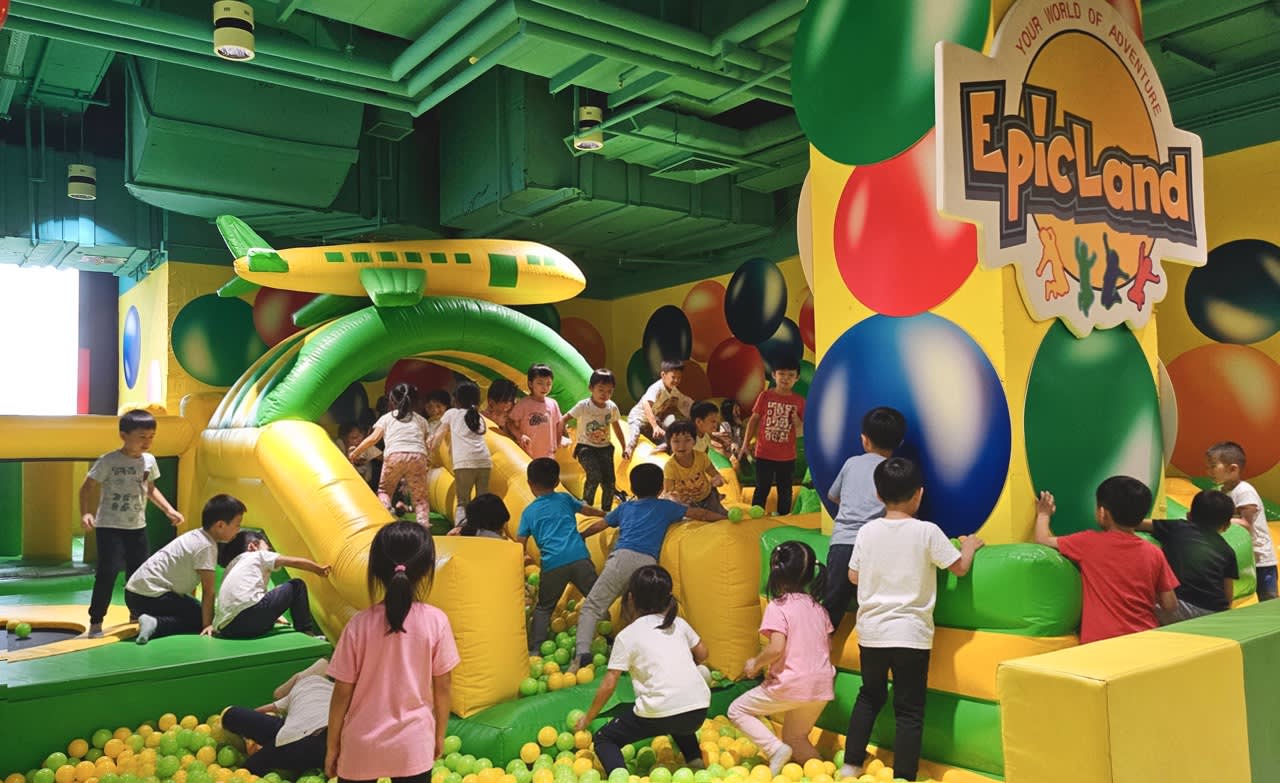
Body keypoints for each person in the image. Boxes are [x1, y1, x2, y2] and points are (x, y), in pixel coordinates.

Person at [840, 458, 984, 782]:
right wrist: (970, 546)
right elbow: (959, 568)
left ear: (878, 495)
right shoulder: (927, 532)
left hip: (872, 634)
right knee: (909, 710)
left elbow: (853, 575)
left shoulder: (867, 532)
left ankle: (850, 765)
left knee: (869, 696)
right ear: (919, 494)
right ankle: (904, 776)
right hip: (911, 635)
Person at [326, 521, 459, 783]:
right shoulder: (436, 621)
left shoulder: (358, 625)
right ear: (426, 570)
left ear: (375, 570)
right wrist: (439, 735)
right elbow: (443, 687)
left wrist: (332, 746)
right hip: (413, 743)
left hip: (362, 746)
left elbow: (342, 692)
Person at [572, 464, 721, 671]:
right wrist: (723, 519)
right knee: (645, 613)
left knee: (593, 606)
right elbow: (700, 514)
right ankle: (654, 655)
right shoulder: (665, 507)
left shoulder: (625, 508)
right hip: (648, 565)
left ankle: (582, 655)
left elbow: (601, 524)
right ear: (660, 488)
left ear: (632, 488)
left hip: (621, 559)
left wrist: (581, 535)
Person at [574, 566, 710, 774]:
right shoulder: (678, 624)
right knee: (677, 713)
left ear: (631, 599)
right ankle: (695, 761)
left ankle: (620, 777)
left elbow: (609, 684)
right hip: (697, 711)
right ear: (668, 598)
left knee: (604, 739)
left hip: (659, 712)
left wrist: (588, 717)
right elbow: (703, 654)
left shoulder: (627, 635)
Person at [728, 541, 834, 775]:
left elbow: (776, 647)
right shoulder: (818, 608)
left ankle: (774, 749)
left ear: (776, 571)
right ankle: (824, 776)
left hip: (791, 684)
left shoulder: (778, 606)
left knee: (737, 710)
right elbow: (828, 646)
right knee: (796, 738)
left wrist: (755, 663)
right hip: (821, 685)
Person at [1033, 476, 1178, 644]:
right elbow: (1170, 604)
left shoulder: (1088, 543)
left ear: (1102, 513)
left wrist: (1043, 514)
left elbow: (1042, 540)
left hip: (1101, 643)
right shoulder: (1154, 553)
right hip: (1144, 639)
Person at [79, 409, 185, 638]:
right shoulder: (109, 460)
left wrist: (169, 509)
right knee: (107, 572)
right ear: (124, 435)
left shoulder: (149, 461)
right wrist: (85, 512)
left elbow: (150, 489)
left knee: (138, 574)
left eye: (151, 437)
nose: (147, 442)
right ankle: (96, 620)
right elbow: (86, 487)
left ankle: (137, 614)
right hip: (109, 527)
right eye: (141, 437)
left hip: (137, 526)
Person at [822, 407, 905, 630]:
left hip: (842, 543)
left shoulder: (851, 463)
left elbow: (833, 495)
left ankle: (819, 644)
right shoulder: (893, 470)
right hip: (875, 546)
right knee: (874, 606)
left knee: (831, 606)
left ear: (864, 440)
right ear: (899, 442)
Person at [125, 494, 245, 644]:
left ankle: (141, 615)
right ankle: (156, 623)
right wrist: (207, 625)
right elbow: (208, 591)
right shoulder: (207, 547)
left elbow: (190, 581)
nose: (238, 529)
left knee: (196, 610)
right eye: (237, 525)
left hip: (134, 594)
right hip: (149, 598)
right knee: (199, 619)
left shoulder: (197, 535)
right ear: (220, 525)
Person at [516, 458, 607, 652]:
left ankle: (536, 647)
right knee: (596, 599)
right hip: (579, 558)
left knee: (544, 607)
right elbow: (586, 510)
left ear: (529, 483)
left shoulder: (529, 512)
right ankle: (607, 637)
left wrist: (519, 561)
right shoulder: (565, 499)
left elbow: (519, 543)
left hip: (553, 564)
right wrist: (604, 515)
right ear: (557, 482)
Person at [1136, 490, 1239, 623]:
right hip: (1214, 611)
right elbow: (1228, 595)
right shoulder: (1228, 551)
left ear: (1189, 515)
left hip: (1180, 605)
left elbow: (1139, 523)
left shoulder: (1177, 527)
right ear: (1226, 526)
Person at [222, 658, 333, 775]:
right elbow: (268, 708)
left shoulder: (307, 684)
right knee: (232, 715)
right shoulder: (316, 687)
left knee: (249, 768)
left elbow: (277, 694)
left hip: (307, 741)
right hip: (302, 733)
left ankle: (263, 759)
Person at [213, 530, 332, 639]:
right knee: (297, 585)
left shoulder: (231, 567)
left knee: (276, 591)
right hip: (250, 618)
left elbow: (247, 599)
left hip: (227, 628)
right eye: (267, 548)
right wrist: (318, 569)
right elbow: (294, 562)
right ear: (253, 546)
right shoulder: (258, 555)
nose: (269, 551)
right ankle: (307, 633)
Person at [349, 383, 432, 526]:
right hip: (418, 455)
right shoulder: (421, 420)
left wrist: (355, 453)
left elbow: (373, 438)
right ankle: (423, 526)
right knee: (420, 498)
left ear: (392, 401)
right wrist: (428, 460)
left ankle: (386, 520)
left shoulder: (387, 418)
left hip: (395, 455)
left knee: (384, 492)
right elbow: (428, 443)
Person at [1207, 441, 1276, 601]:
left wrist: (1214, 520)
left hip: (1260, 559)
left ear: (1233, 469)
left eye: (1213, 466)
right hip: (1242, 557)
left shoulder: (1244, 492)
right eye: (1208, 467)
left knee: (1268, 600)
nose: (1208, 472)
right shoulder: (1220, 491)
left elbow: (1246, 524)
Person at [739, 358, 805, 515]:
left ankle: (784, 517)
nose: (785, 378)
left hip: (787, 456)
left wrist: (796, 421)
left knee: (785, 490)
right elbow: (753, 420)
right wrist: (745, 444)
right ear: (774, 375)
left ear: (797, 378)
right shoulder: (765, 396)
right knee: (762, 487)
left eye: (790, 375)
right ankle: (756, 516)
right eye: (781, 374)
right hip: (764, 453)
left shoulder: (800, 401)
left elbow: (801, 431)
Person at [428, 382, 492, 523]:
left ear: (456, 399)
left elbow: (438, 436)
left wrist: (431, 453)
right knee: (482, 500)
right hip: (485, 461)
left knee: (463, 501)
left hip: (464, 462)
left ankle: (461, 528)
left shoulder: (451, 414)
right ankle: (483, 528)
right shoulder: (478, 416)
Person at [566, 369, 629, 511]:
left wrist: (624, 446)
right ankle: (586, 505)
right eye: (601, 390)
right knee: (594, 475)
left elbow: (617, 427)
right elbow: (565, 418)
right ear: (591, 388)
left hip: (605, 448)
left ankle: (606, 510)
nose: (604, 394)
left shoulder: (611, 407)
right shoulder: (584, 406)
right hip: (585, 447)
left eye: (609, 391)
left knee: (609, 482)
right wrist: (561, 434)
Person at [662, 421, 728, 519]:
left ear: (694, 442)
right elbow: (668, 491)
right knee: (695, 523)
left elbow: (713, 472)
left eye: (687, 440)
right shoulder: (670, 466)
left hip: (708, 496)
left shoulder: (701, 457)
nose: (682, 445)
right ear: (669, 444)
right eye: (676, 441)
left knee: (721, 517)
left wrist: (718, 479)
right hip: (688, 502)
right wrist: (676, 498)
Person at [626, 360, 693, 454]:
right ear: (663, 375)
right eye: (673, 377)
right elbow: (646, 405)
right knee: (635, 432)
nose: (676, 381)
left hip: (651, 422)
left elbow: (685, 401)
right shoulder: (656, 388)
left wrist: (695, 411)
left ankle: (665, 445)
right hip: (639, 418)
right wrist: (655, 426)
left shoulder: (674, 390)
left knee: (671, 426)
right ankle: (629, 449)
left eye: (679, 378)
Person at [508, 364, 564, 460]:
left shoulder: (553, 403)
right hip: (527, 453)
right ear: (530, 384)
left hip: (548, 454)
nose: (545, 387)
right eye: (540, 383)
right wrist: (520, 436)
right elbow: (510, 422)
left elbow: (559, 424)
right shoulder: (524, 404)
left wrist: (558, 442)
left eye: (548, 384)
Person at [337, 422, 380, 491]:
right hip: (345, 481)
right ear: (344, 439)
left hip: (365, 483)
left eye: (360, 436)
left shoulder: (365, 446)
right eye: (354, 438)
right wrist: (350, 458)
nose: (358, 440)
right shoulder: (340, 444)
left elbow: (384, 458)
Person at [716, 400, 745, 469]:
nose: (738, 412)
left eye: (738, 409)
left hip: (740, 452)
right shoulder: (725, 425)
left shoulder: (739, 425)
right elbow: (728, 442)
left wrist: (741, 427)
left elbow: (742, 439)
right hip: (731, 453)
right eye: (735, 409)